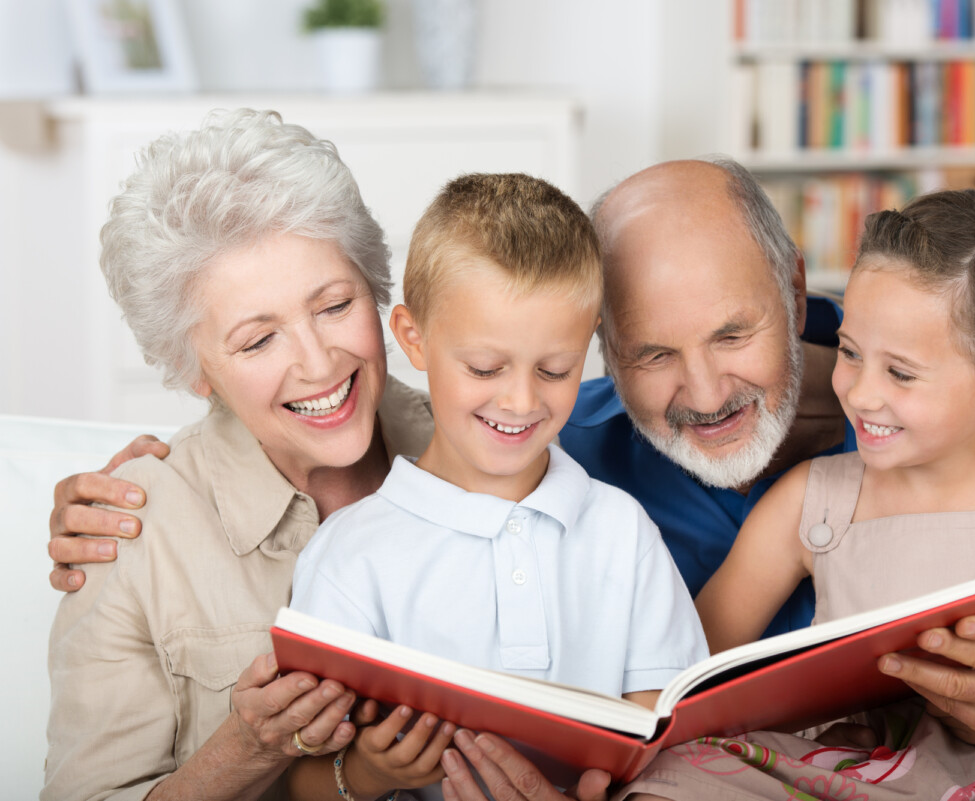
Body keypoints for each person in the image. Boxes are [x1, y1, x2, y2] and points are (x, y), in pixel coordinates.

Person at [48, 158, 975, 798]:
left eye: (737, 335)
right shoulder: (539, 440)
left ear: (799, 293)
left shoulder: (973, 406)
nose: (701, 390)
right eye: (648, 349)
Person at [41, 110, 609, 801]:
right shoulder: (128, 531)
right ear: (197, 370)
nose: (318, 363)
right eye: (258, 341)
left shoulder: (499, 430)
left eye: (335, 305)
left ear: (378, 292)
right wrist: (243, 751)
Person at [616, 188, 975, 799]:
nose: (861, 394)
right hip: (851, 772)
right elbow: (693, 666)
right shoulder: (811, 500)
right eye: (849, 352)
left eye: (900, 372)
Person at [282, 173, 707, 800]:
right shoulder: (351, 556)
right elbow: (300, 784)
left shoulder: (623, 531)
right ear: (413, 338)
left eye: (555, 370)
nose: (520, 400)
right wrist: (372, 772)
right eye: (485, 367)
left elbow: (671, 740)